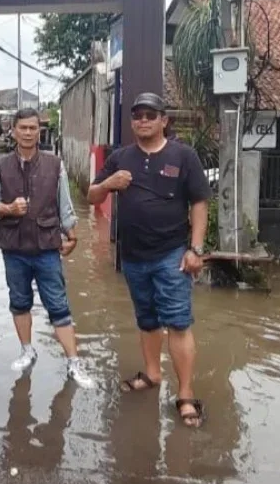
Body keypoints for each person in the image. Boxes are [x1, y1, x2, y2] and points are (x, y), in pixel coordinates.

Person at [86, 92, 210, 427]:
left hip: (171, 254)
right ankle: (153, 375)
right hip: (133, 255)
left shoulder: (183, 156)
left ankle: (185, 395)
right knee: (147, 319)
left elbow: (199, 203)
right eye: (138, 115)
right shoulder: (121, 157)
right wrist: (109, 182)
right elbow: (91, 194)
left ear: (164, 120)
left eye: (150, 115)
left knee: (178, 322)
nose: (143, 120)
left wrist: (195, 249)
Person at [0, 108, 94, 387]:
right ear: (13, 130)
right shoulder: (0, 166)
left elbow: (65, 205)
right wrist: (8, 208)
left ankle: (73, 363)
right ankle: (26, 351)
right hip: (14, 247)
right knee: (19, 302)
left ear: (39, 131)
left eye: (33, 128)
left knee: (58, 305)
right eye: (23, 128)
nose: (29, 133)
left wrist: (72, 235)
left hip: (47, 247)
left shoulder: (55, 164)